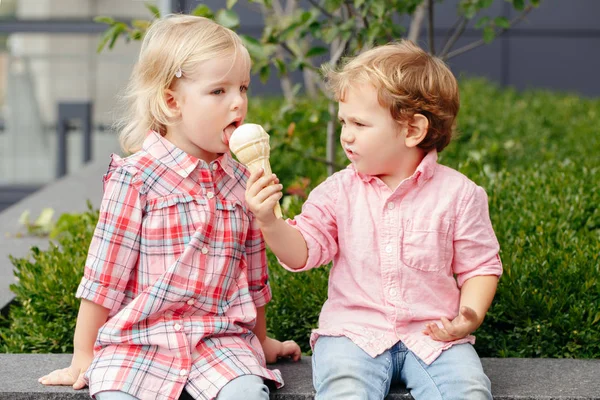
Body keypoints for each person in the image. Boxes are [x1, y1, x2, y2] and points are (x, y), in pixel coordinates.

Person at [38, 15, 300, 400]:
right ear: (171, 101)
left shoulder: (241, 181)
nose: (238, 102)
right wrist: (83, 356)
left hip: (219, 340)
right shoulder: (137, 179)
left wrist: (260, 341)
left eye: (242, 87)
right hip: (138, 341)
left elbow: (254, 275)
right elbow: (103, 277)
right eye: (219, 91)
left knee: (247, 392)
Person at [246, 40, 502, 400]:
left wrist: (469, 315)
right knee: (345, 390)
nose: (346, 135)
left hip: (434, 338)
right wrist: (270, 223)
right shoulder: (337, 192)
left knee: (469, 390)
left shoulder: (459, 195)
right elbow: (302, 254)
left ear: (413, 130)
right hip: (353, 337)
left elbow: (480, 265)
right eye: (344, 122)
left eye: (360, 124)